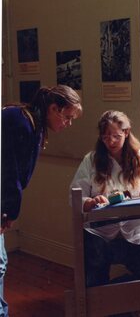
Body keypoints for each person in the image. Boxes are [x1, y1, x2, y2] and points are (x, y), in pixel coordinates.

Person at [70, 110, 140, 317]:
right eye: (105, 137)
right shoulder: (92, 160)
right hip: (101, 231)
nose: (110, 141)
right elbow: (75, 197)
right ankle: (110, 307)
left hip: (135, 229)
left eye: (116, 136)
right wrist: (90, 202)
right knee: (94, 280)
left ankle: (124, 305)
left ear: (126, 132)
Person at [0, 85, 82, 317]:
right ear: (54, 109)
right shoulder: (22, 122)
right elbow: (10, 172)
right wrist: (9, 212)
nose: (68, 124)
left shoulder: (28, 121)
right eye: (67, 117)